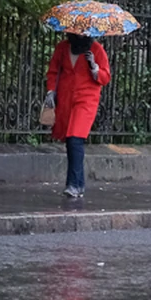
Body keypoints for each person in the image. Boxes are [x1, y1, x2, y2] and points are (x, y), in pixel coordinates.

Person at [43, 33, 111, 198]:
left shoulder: (96, 49)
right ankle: (78, 185)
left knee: (75, 137)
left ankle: (73, 184)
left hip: (86, 100)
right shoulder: (62, 47)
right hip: (66, 99)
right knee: (70, 140)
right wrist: (51, 91)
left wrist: (94, 68)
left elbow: (105, 77)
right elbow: (53, 71)